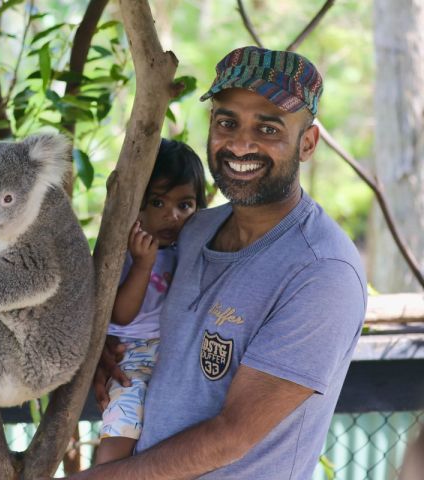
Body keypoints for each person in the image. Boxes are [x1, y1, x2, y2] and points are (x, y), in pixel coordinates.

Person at [75, 46, 367, 479]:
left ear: (307, 143)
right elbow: (144, 326)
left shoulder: (322, 272)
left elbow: (232, 435)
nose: (240, 144)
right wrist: (107, 346)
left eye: (268, 128)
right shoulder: (190, 233)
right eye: (227, 122)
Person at [96, 139, 207, 465]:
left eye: (185, 205)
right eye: (158, 203)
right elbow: (121, 315)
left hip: (179, 355)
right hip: (132, 351)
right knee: (125, 415)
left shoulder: (191, 247)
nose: (172, 216)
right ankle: (105, 471)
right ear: (137, 206)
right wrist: (143, 264)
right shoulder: (129, 251)